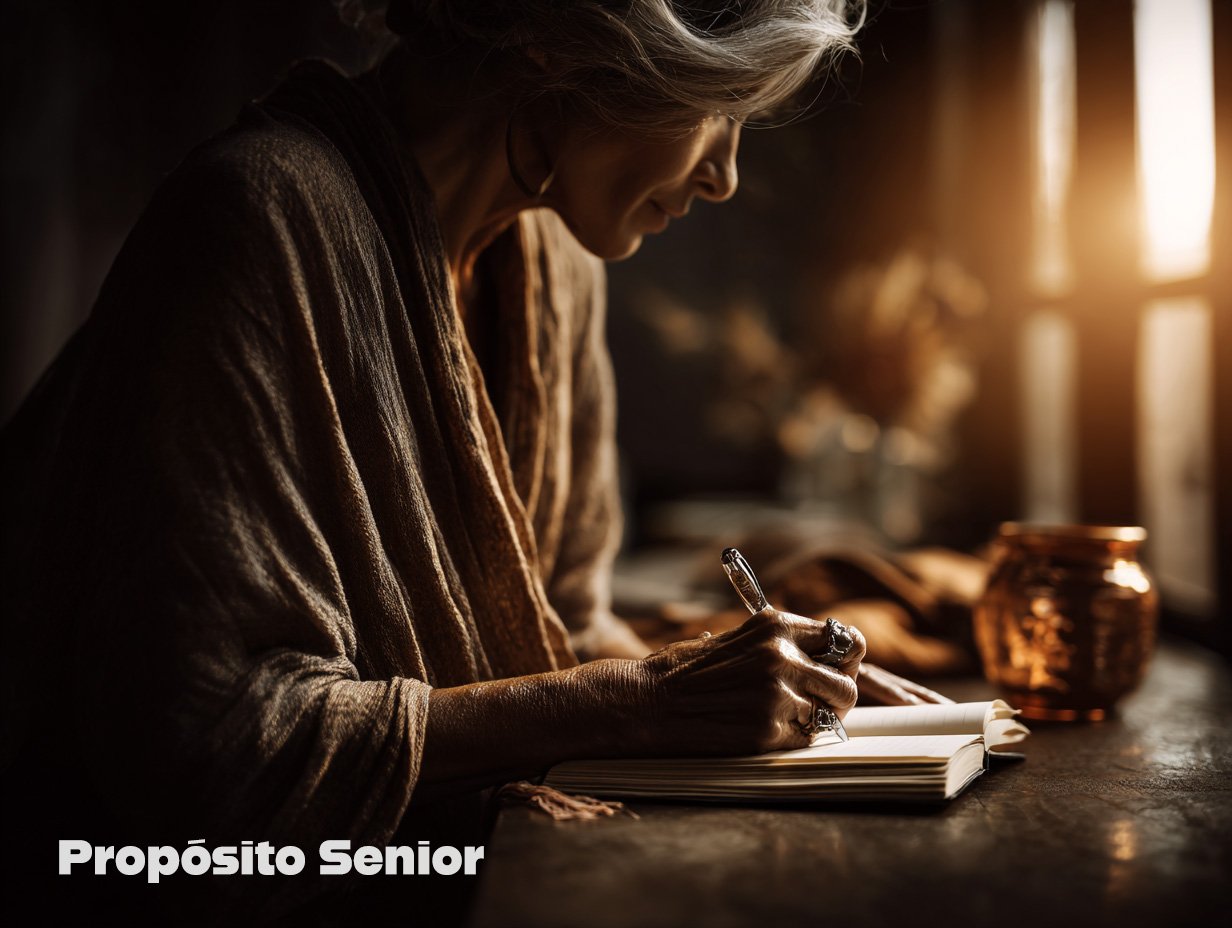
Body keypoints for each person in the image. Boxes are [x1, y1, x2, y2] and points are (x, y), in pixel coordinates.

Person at [1, 0, 945, 923]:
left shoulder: (558, 269)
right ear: (554, 36)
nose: (726, 178)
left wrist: (756, 675)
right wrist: (628, 703)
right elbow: (201, 745)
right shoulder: (255, 217)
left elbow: (563, 626)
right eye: (717, 103)